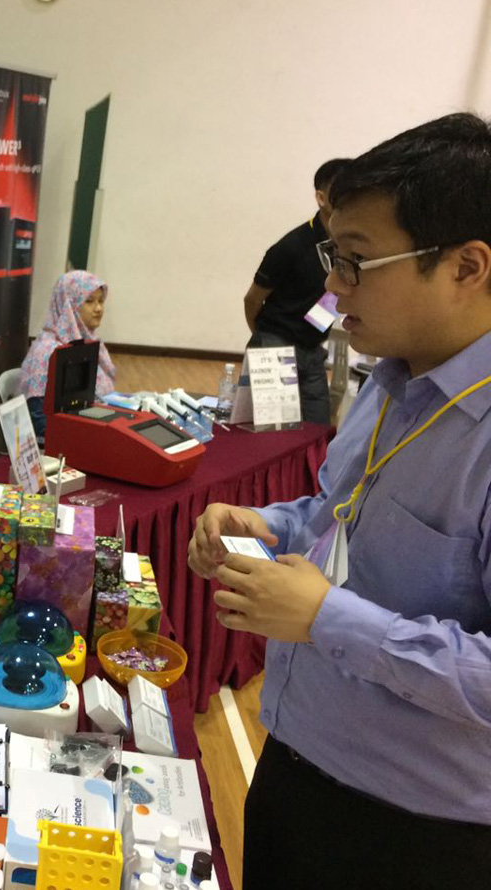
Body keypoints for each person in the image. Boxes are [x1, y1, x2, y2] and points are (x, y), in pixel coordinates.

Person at [189, 113, 491, 887]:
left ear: (466, 266)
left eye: (356, 262)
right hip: (296, 760)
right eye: (332, 257)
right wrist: (267, 525)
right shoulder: (387, 380)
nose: (331, 287)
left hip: (416, 831)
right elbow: (335, 519)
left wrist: (327, 618)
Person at [243, 158, 350, 425]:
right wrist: (265, 339)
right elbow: (252, 299)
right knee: (277, 432)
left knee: (318, 430)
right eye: (343, 189)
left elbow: (333, 299)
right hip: (276, 345)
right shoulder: (291, 246)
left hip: (313, 349)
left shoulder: (348, 245)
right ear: (321, 198)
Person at [19, 270, 115, 443]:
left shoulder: (89, 344)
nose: (99, 309)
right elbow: (41, 423)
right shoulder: (47, 353)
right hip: (62, 445)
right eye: (89, 301)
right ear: (68, 306)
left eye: (101, 301)